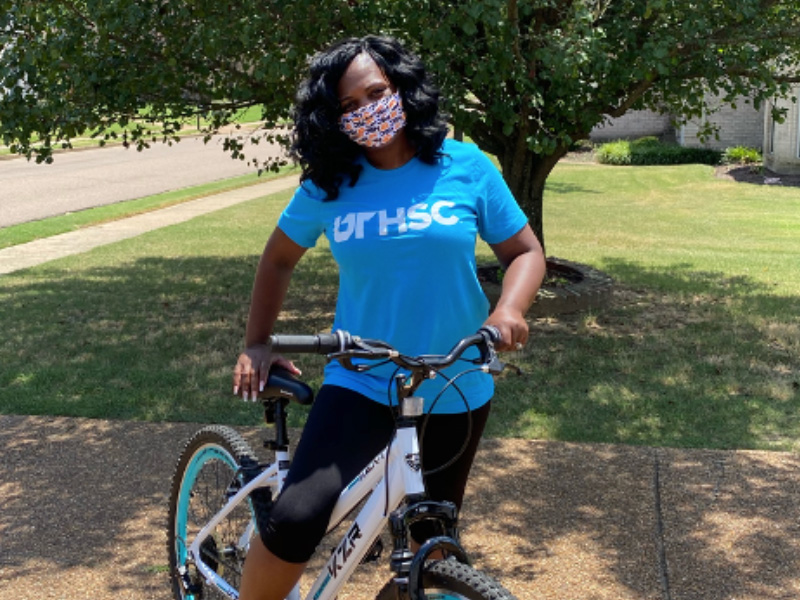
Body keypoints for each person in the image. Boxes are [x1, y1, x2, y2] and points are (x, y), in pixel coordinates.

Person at [231, 35, 546, 600]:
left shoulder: (465, 166)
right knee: (298, 520)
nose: (365, 112)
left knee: (432, 539)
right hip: (363, 378)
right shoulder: (330, 184)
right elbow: (278, 259)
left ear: (402, 88)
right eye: (347, 107)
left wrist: (509, 308)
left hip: (455, 381)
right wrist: (257, 342)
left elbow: (524, 251)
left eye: (375, 93)